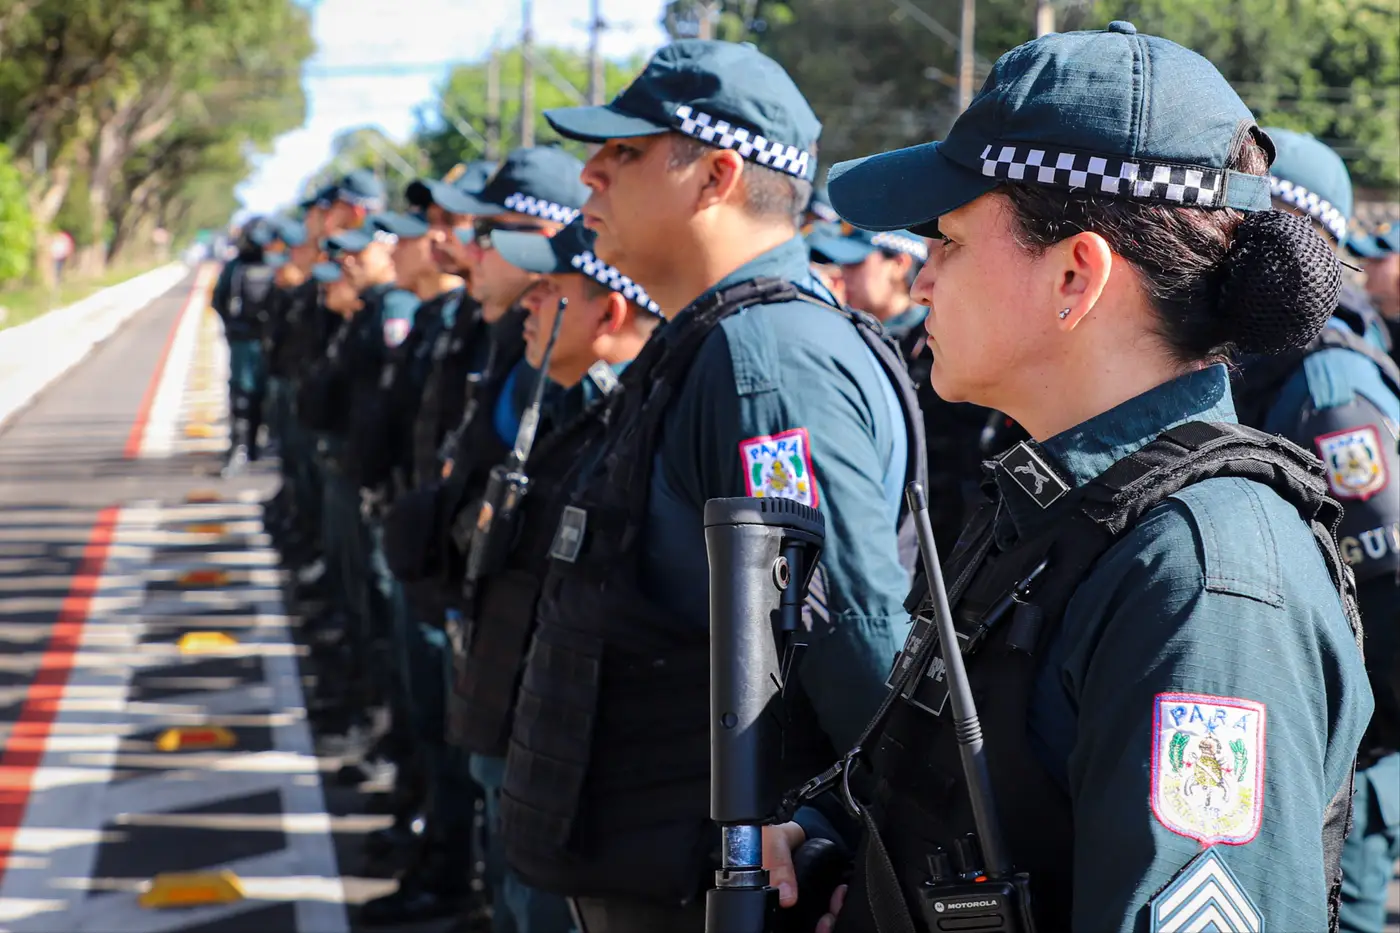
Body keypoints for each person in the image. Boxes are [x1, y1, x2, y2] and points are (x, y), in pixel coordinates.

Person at [761, 22, 1374, 933]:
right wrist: (830, 834)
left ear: (1075, 278)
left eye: (953, 240)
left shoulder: (1207, 581)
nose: (922, 276)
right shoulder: (1066, 506)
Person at [498, 39, 927, 932]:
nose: (590, 175)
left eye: (623, 153)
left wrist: (869, 842)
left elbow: (847, 632)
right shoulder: (714, 343)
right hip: (662, 869)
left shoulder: (766, 362)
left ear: (716, 176)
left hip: (711, 892)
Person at [451, 217, 664, 933]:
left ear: (611, 311)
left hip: (576, 780)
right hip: (517, 728)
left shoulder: (632, 423)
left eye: (549, 291)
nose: (529, 306)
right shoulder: (569, 407)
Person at [1232, 128, 1399, 933]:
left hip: (1350, 751)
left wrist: (1352, 743)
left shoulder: (1327, 385)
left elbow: (1389, 579)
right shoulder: (1267, 366)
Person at [210, 217, 279, 476]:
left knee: (255, 395)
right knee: (243, 396)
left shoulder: (251, 267)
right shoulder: (237, 268)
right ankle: (242, 446)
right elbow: (220, 300)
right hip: (247, 342)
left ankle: (250, 446)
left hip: (260, 343)